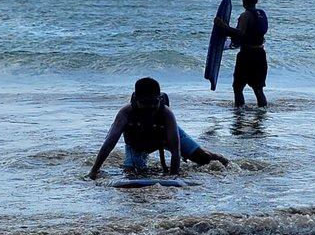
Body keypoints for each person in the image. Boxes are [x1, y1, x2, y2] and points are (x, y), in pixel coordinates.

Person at [88, 77, 228, 180]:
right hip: (137, 144)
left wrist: (174, 176)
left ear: (160, 99)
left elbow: (175, 149)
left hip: (164, 137)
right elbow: (109, 143)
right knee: (132, 174)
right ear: (135, 99)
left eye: (153, 103)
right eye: (145, 103)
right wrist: (94, 170)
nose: (149, 108)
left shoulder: (166, 113)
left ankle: (227, 162)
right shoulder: (125, 113)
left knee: (204, 158)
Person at [214, 0, 268, 108]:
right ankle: (262, 117)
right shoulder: (262, 14)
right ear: (256, 1)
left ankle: (238, 116)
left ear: (243, 1)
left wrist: (223, 26)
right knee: (258, 89)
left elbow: (240, 34)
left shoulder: (246, 15)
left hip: (247, 55)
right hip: (260, 54)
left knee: (238, 87)